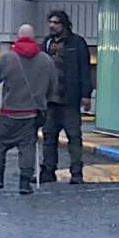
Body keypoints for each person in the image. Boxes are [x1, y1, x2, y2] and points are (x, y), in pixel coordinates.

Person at [0, 24, 58, 195]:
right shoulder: (46, 60)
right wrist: (42, 104)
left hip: (9, 113)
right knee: (27, 147)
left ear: (18, 38)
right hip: (31, 114)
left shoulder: (8, 58)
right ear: (34, 38)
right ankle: (25, 183)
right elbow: (53, 87)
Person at [40, 10, 93, 185]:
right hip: (50, 101)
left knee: (74, 138)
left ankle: (76, 173)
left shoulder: (77, 43)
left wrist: (86, 95)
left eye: (56, 22)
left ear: (64, 24)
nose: (52, 26)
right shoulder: (46, 43)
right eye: (50, 22)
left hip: (70, 100)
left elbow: (85, 70)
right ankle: (48, 171)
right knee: (49, 137)